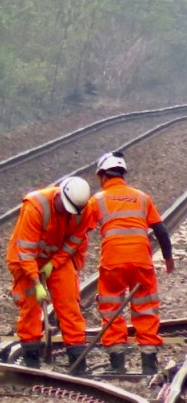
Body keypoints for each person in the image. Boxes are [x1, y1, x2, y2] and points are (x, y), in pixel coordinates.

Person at [84, 152, 175, 375]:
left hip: (113, 260)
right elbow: (161, 230)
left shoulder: (97, 200)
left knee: (111, 306)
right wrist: (168, 257)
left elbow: (82, 231)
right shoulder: (142, 197)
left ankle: (117, 363)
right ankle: (149, 364)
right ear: (123, 174)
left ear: (103, 175)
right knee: (146, 308)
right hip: (141, 260)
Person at [6, 176, 92, 372]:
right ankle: (31, 361)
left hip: (55, 257)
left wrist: (54, 263)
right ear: (60, 195)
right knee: (30, 307)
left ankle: (78, 362)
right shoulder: (35, 206)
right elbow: (26, 251)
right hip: (26, 259)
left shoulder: (84, 209)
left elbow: (75, 241)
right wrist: (36, 283)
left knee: (70, 302)